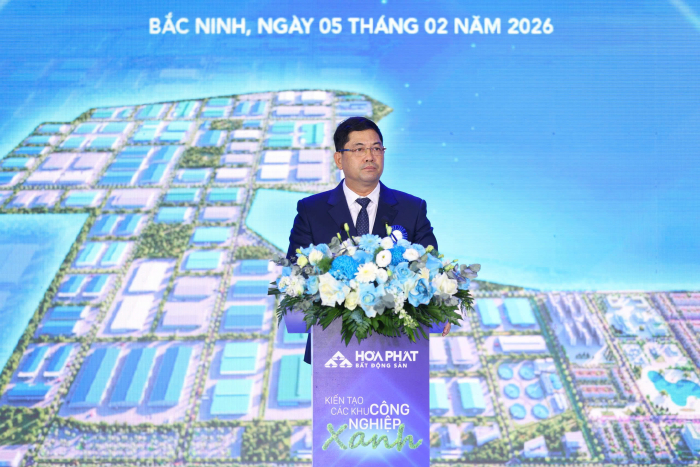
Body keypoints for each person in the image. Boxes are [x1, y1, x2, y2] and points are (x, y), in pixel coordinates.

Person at [286, 116, 450, 364]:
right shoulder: (311, 210)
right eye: (359, 149)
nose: (370, 156)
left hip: (400, 349)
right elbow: (296, 271)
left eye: (376, 148)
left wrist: (441, 302)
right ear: (339, 159)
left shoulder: (412, 208)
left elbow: (431, 268)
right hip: (333, 352)